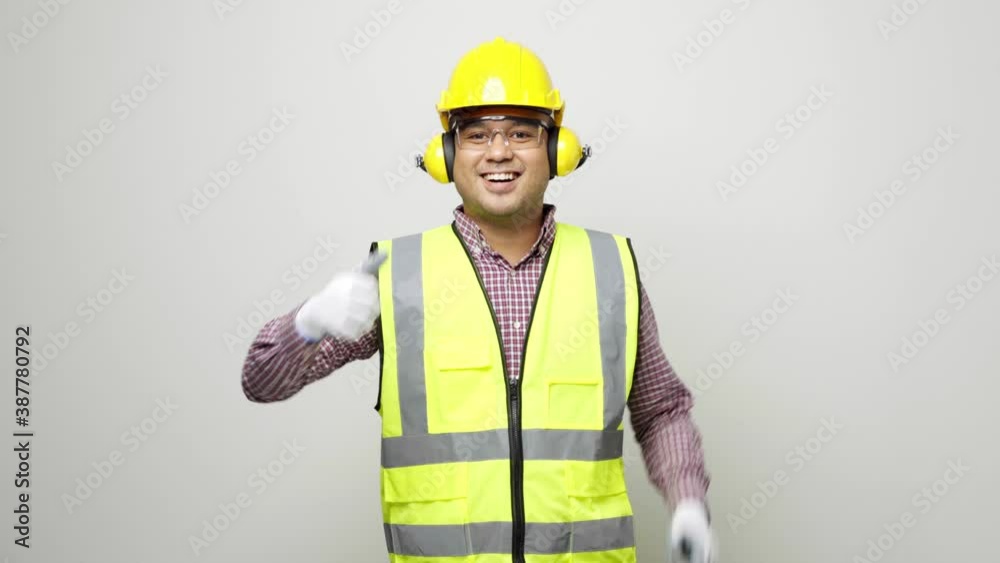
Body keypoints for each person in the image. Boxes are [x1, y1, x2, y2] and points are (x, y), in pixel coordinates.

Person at [242, 37, 717, 563]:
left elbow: (661, 411)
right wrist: (308, 324)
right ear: (446, 154)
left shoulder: (609, 268)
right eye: (476, 134)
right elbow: (260, 382)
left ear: (557, 150)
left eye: (521, 132)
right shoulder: (398, 275)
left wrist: (688, 500)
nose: (498, 152)